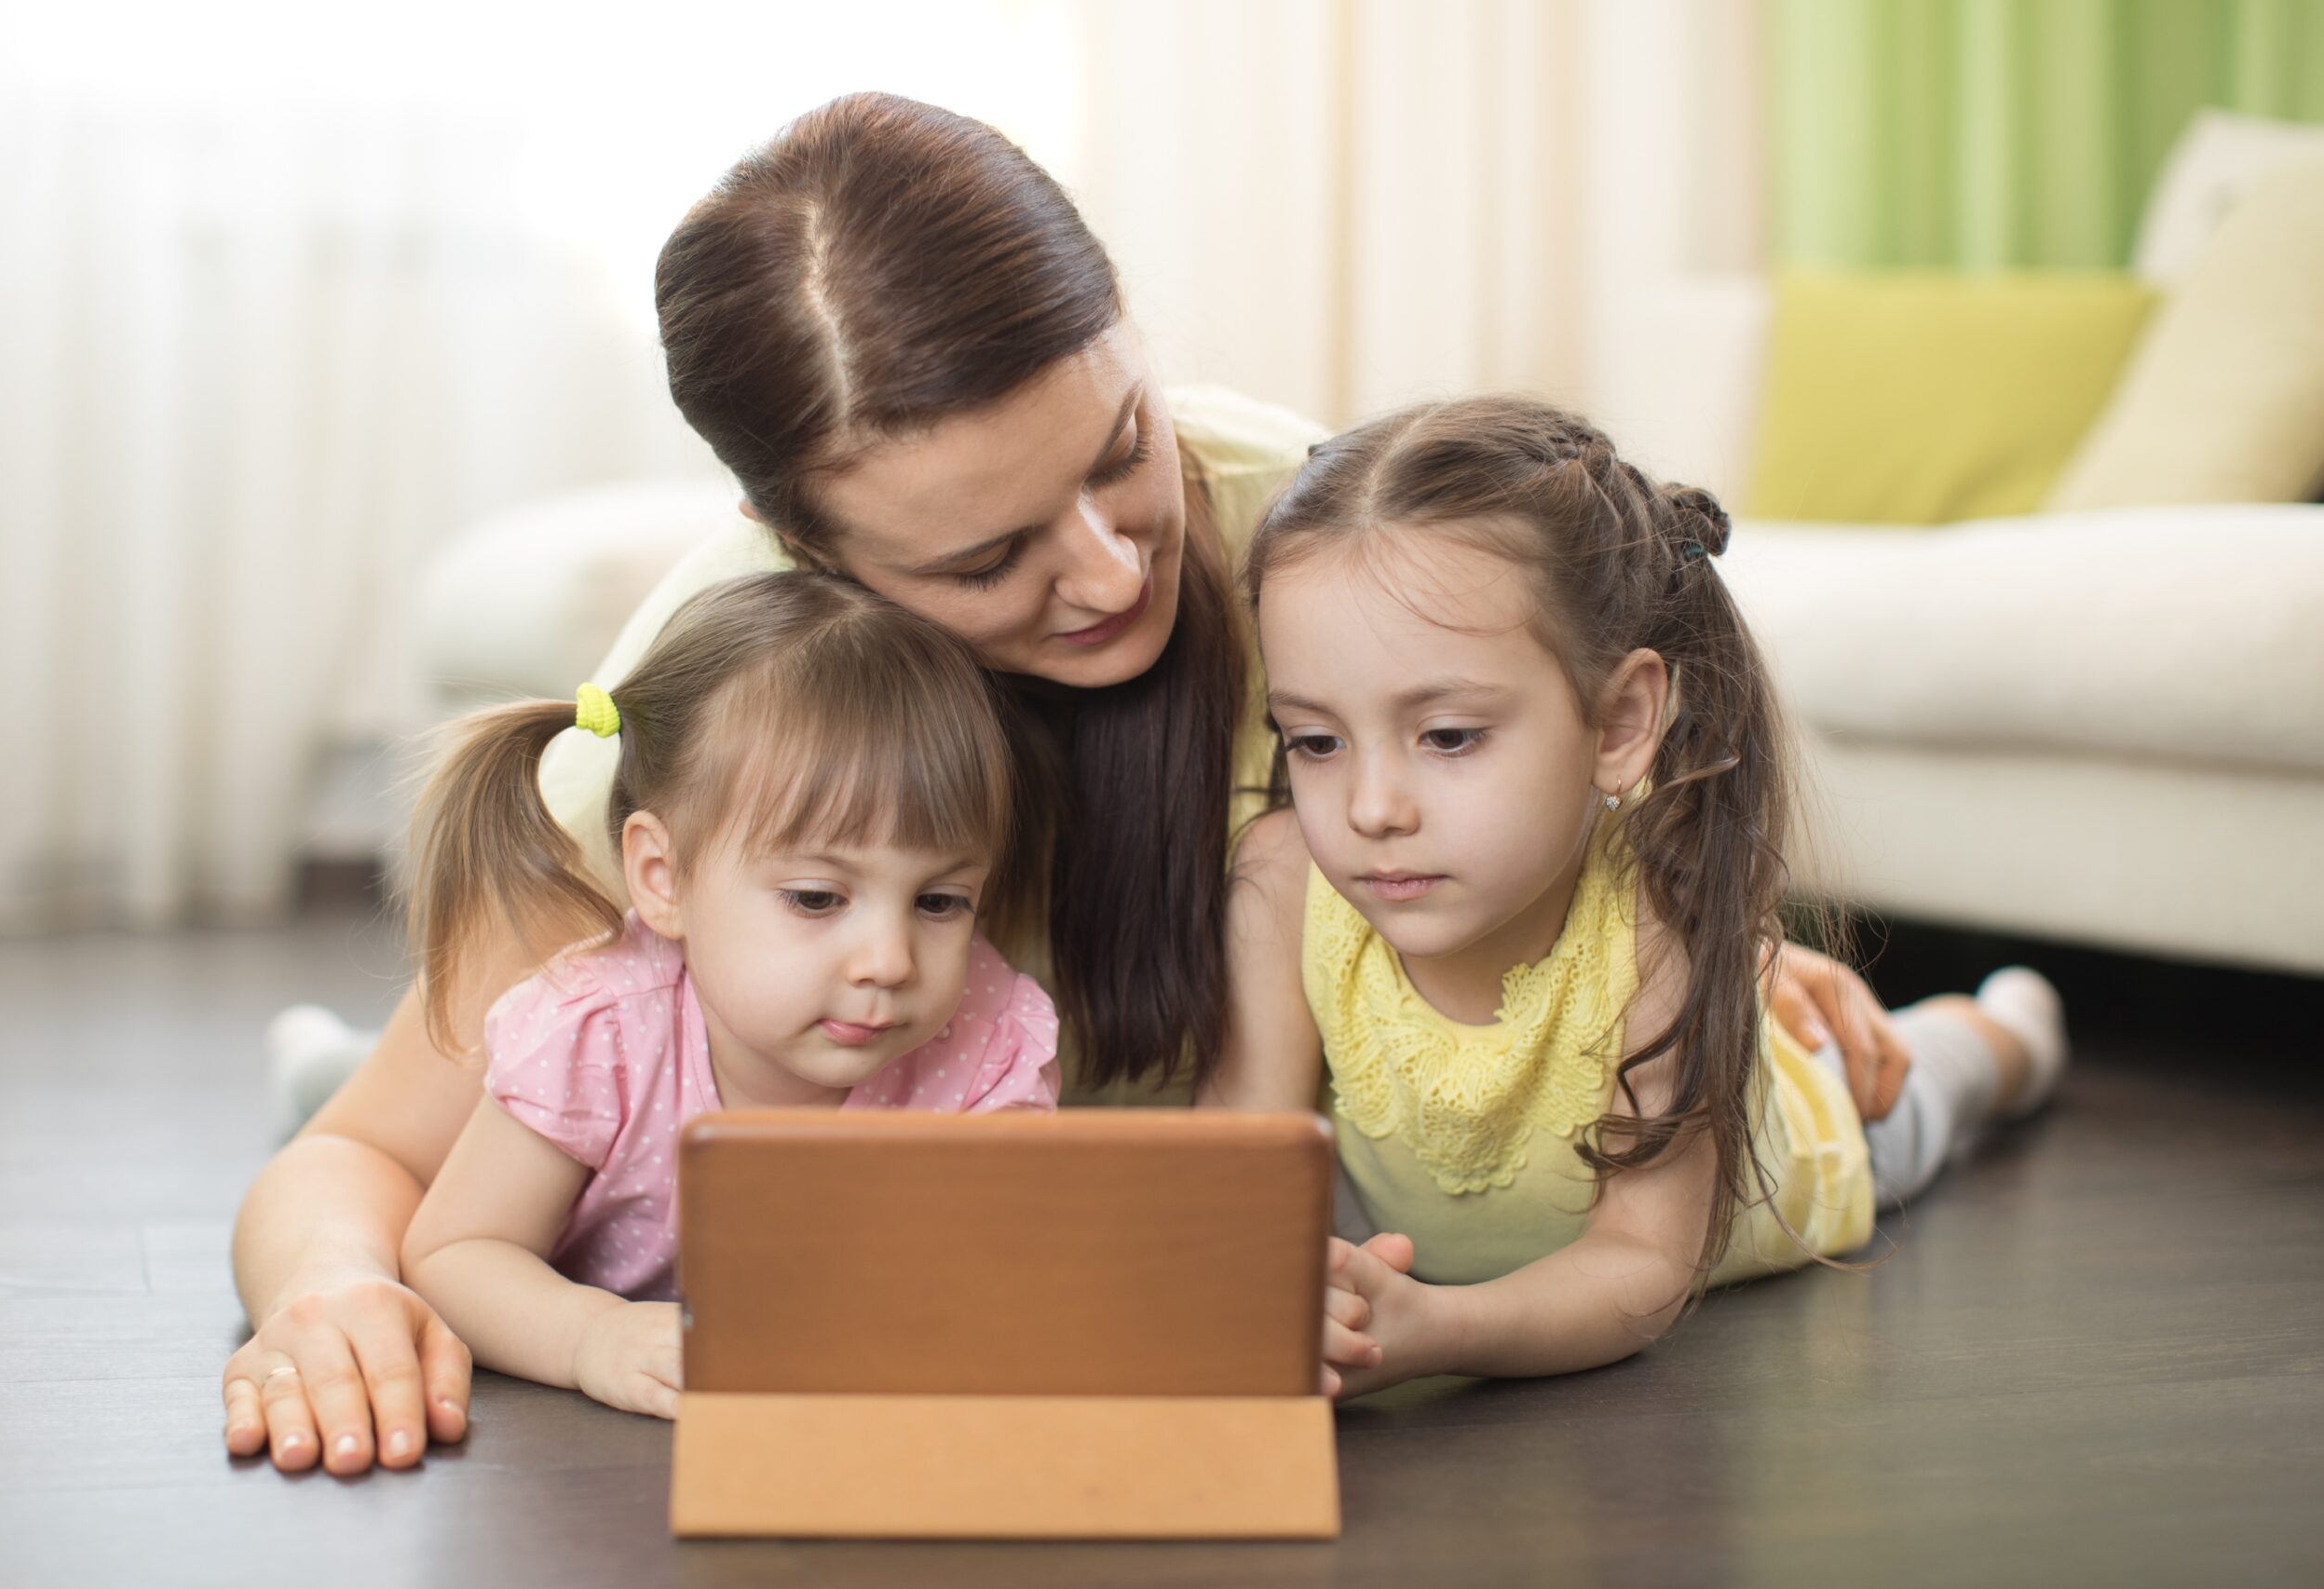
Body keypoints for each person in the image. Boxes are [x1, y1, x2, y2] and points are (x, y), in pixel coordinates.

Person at [224, 92, 1914, 1473]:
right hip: (777, 1157)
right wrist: (329, 1294)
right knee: (461, 1097)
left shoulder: (1301, 532)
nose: (1112, 570)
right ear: (809, 552)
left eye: (1121, 446)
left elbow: (1527, 747)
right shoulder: (733, 709)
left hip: (1089, 1206)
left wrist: (1700, 936)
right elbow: (363, 1167)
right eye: (988, 558)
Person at [1206, 396, 2068, 1397]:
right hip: (1483, 1255)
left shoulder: (1656, 923)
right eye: (1316, 739)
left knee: (1920, 1089)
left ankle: (2009, 1034)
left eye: (1446, 736)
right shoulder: (1280, 883)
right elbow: (1237, 1169)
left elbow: (1641, 1265)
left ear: (1618, 721)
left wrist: (1436, 1326)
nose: (1370, 806)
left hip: (1816, 1152)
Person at [392, 573, 1055, 1419]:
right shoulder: (600, 1031)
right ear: (663, 880)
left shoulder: (987, 1042)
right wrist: (590, 1335)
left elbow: (1011, 1273)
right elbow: (455, 1250)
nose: (890, 962)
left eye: (939, 901)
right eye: (818, 898)